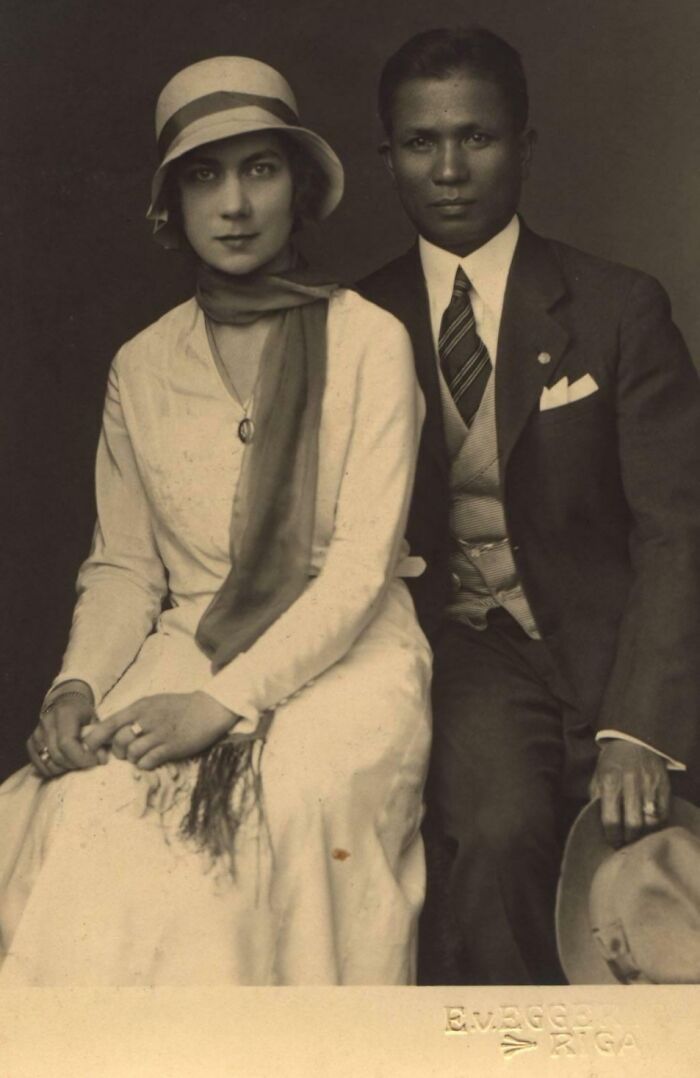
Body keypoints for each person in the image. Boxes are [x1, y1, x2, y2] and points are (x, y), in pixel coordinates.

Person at [0, 56, 432, 986]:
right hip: (188, 639)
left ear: (301, 189)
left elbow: (359, 569)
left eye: (259, 170)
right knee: (92, 811)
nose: (234, 203)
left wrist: (218, 706)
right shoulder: (143, 366)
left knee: (287, 801)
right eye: (204, 175)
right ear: (171, 204)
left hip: (347, 653)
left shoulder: (368, 341)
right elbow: (123, 567)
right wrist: (74, 687)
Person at [357, 27, 700, 984]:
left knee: (650, 863)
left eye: (480, 138)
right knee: (500, 833)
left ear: (526, 144)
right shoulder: (355, 322)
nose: (452, 169)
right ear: (387, 157)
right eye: (422, 144)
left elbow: (683, 529)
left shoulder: (617, 306)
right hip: (462, 648)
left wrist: (642, 729)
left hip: (611, 641)